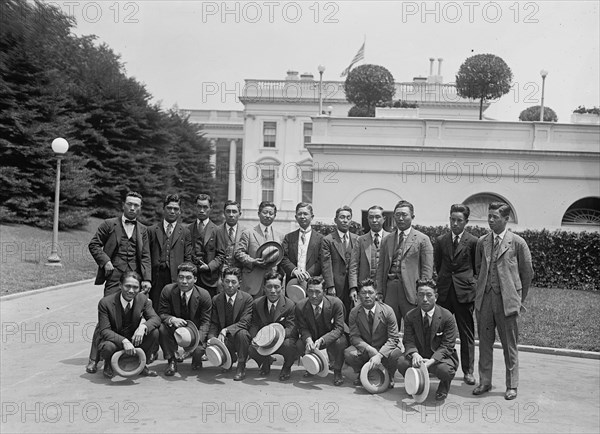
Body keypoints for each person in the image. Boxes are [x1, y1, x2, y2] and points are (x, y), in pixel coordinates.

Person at [473, 202, 533, 401]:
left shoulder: (517, 242)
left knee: (510, 345)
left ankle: (511, 385)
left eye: (495, 217)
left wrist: (517, 298)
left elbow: (527, 273)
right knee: (484, 343)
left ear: (506, 219)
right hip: (485, 300)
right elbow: (478, 267)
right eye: (489, 216)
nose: (490, 220)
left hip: (507, 300)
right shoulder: (483, 242)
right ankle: (485, 381)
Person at [86, 191, 152, 374]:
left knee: (134, 317)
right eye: (129, 204)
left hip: (134, 281)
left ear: (140, 208)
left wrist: (146, 279)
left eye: (136, 205)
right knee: (106, 318)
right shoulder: (109, 224)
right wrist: (105, 261)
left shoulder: (143, 230)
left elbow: (145, 256)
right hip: (114, 278)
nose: (132, 208)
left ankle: (132, 356)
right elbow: (94, 244)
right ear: (123, 204)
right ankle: (94, 359)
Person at [433, 203, 478, 385]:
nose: (455, 223)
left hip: (464, 293)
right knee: (440, 330)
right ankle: (440, 364)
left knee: (466, 333)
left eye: (459, 220)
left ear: (466, 222)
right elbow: (438, 265)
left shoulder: (474, 241)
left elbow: (477, 267)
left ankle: (468, 371)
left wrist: (469, 283)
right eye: (452, 219)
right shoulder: (441, 240)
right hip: (444, 292)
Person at [397, 279, 459, 401]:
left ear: (435, 297)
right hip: (419, 356)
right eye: (421, 295)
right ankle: (415, 382)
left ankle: (444, 386)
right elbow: (408, 340)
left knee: (446, 370)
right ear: (416, 296)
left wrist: (431, 361)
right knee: (401, 362)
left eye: (429, 295)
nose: (425, 299)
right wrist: (414, 354)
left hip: (438, 359)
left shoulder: (447, 317)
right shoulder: (410, 316)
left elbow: (448, 346)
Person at [376, 200, 433, 329]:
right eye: (397, 215)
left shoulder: (422, 239)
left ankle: (412, 350)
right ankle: (391, 349)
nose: (400, 218)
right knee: (388, 327)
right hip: (390, 289)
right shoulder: (387, 239)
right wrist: (379, 291)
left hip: (411, 289)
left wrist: (423, 292)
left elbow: (427, 270)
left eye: (404, 215)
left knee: (414, 327)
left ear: (412, 217)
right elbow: (381, 268)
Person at [97, 271, 160, 379]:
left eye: (135, 287)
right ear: (120, 285)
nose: (131, 291)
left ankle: (141, 363)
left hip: (133, 338)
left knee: (154, 332)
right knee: (107, 347)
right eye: (128, 286)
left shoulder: (143, 300)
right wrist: (123, 341)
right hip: (114, 341)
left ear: (140, 288)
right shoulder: (105, 303)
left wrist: (143, 327)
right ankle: (108, 364)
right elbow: (105, 331)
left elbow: (155, 318)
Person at [345, 279, 403, 388]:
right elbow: (354, 337)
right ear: (358, 295)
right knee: (349, 353)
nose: (367, 296)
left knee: (396, 354)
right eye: (363, 293)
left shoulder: (388, 311)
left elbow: (393, 338)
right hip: (366, 349)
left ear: (376, 294)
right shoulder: (354, 313)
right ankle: (362, 372)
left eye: (370, 292)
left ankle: (389, 374)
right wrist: (369, 349)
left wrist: (380, 355)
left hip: (384, 348)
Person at [158, 262, 212, 376]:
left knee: (198, 350)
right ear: (177, 278)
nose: (184, 281)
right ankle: (171, 360)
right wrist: (172, 319)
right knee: (162, 328)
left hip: (195, 330)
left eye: (188, 278)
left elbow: (205, 322)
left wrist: (196, 341)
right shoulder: (167, 290)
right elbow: (162, 314)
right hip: (175, 328)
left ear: (195, 279)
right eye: (181, 277)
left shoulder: (204, 295)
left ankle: (197, 358)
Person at [295, 276, 348, 386]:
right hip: (313, 336)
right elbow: (302, 328)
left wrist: (323, 340)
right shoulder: (300, 306)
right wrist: (308, 340)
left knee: (341, 342)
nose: (313, 296)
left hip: (330, 336)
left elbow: (339, 328)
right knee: (300, 344)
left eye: (317, 292)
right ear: (306, 291)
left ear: (324, 292)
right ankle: (311, 366)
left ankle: (337, 370)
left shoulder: (336, 303)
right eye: (310, 291)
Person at [248, 271, 298, 381]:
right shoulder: (257, 303)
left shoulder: (290, 305)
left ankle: (286, 367)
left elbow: (291, 328)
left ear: (282, 288)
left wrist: (276, 337)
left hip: (282, 340)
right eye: (269, 287)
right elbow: (254, 324)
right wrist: (255, 338)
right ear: (264, 288)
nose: (273, 291)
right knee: (251, 347)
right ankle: (265, 362)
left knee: (291, 345)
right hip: (263, 340)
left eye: (276, 287)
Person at [148, 194, 192, 313]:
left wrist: (185, 278)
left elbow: (188, 257)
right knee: (156, 309)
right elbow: (146, 256)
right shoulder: (152, 230)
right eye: (169, 208)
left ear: (179, 212)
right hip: (156, 278)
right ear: (164, 209)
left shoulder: (185, 232)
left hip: (175, 278)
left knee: (174, 309)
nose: (172, 211)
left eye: (176, 209)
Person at [207, 267, 253, 381]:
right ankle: (228, 360)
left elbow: (245, 322)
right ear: (222, 282)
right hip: (224, 339)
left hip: (239, 336)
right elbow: (214, 322)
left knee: (242, 334)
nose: (230, 285)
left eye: (234, 282)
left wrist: (226, 329)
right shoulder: (216, 299)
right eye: (227, 281)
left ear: (239, 283)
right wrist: (211, 338)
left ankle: (241, 366)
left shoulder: (247, 298)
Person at [235, 201, 284, 296]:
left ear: (275, 216)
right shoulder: (248, 233)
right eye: (265, 212)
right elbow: (238, 252)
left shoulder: (280, 236)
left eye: (271, 213)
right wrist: (252, 261)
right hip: (252, 281)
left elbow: (282, 259)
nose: (268, 216)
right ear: (259, 214)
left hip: (272, 283)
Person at [321, 206, 359, 319]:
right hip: (336, 285)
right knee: (335, 314)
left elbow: (357, 264)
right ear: (335, 220)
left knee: (351, 315)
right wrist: (330, 285)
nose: (345, 220)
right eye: (342, 217)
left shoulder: (357, 239)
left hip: (352, 284)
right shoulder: (328, 240)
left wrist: (354, 286)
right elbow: (326, 265)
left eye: (348, 217)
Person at [349, 205, 389, 304]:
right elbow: (353, 265)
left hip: (386, 289)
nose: (374, 220)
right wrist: (353, 287)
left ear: (384, 219)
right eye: (371, 217)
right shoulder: (361, 240)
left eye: (377, 217)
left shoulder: (391, 238)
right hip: (365, 289)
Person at [190, 193, 225, 298]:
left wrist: (209, 267)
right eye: (199, 206)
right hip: (191, 279)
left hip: (210, 280)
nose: (201, 210)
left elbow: (221, 255)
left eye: (205, 207)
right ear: (195, 207)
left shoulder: (217, 230)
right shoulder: (187, 229)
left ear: (210, 209)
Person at [280, 202, 323, 287]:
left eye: (305, 214)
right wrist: (294, 270)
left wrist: (308, 274)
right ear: (296, 217)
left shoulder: (320, 239)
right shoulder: (289, 237)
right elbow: (283, 257)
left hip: (312, 282)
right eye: (300, 214)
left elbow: (321, 260)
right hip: (292, 282)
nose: (302, 217)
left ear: (312, 217)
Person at [216, 200, 246, 270]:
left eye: (234, 212)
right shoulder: (216, 231)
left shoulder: (246, 232)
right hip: (220, 273)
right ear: (224, 213)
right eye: (228, 211)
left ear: (240, 214)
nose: (231, 215)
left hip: (239, 273)